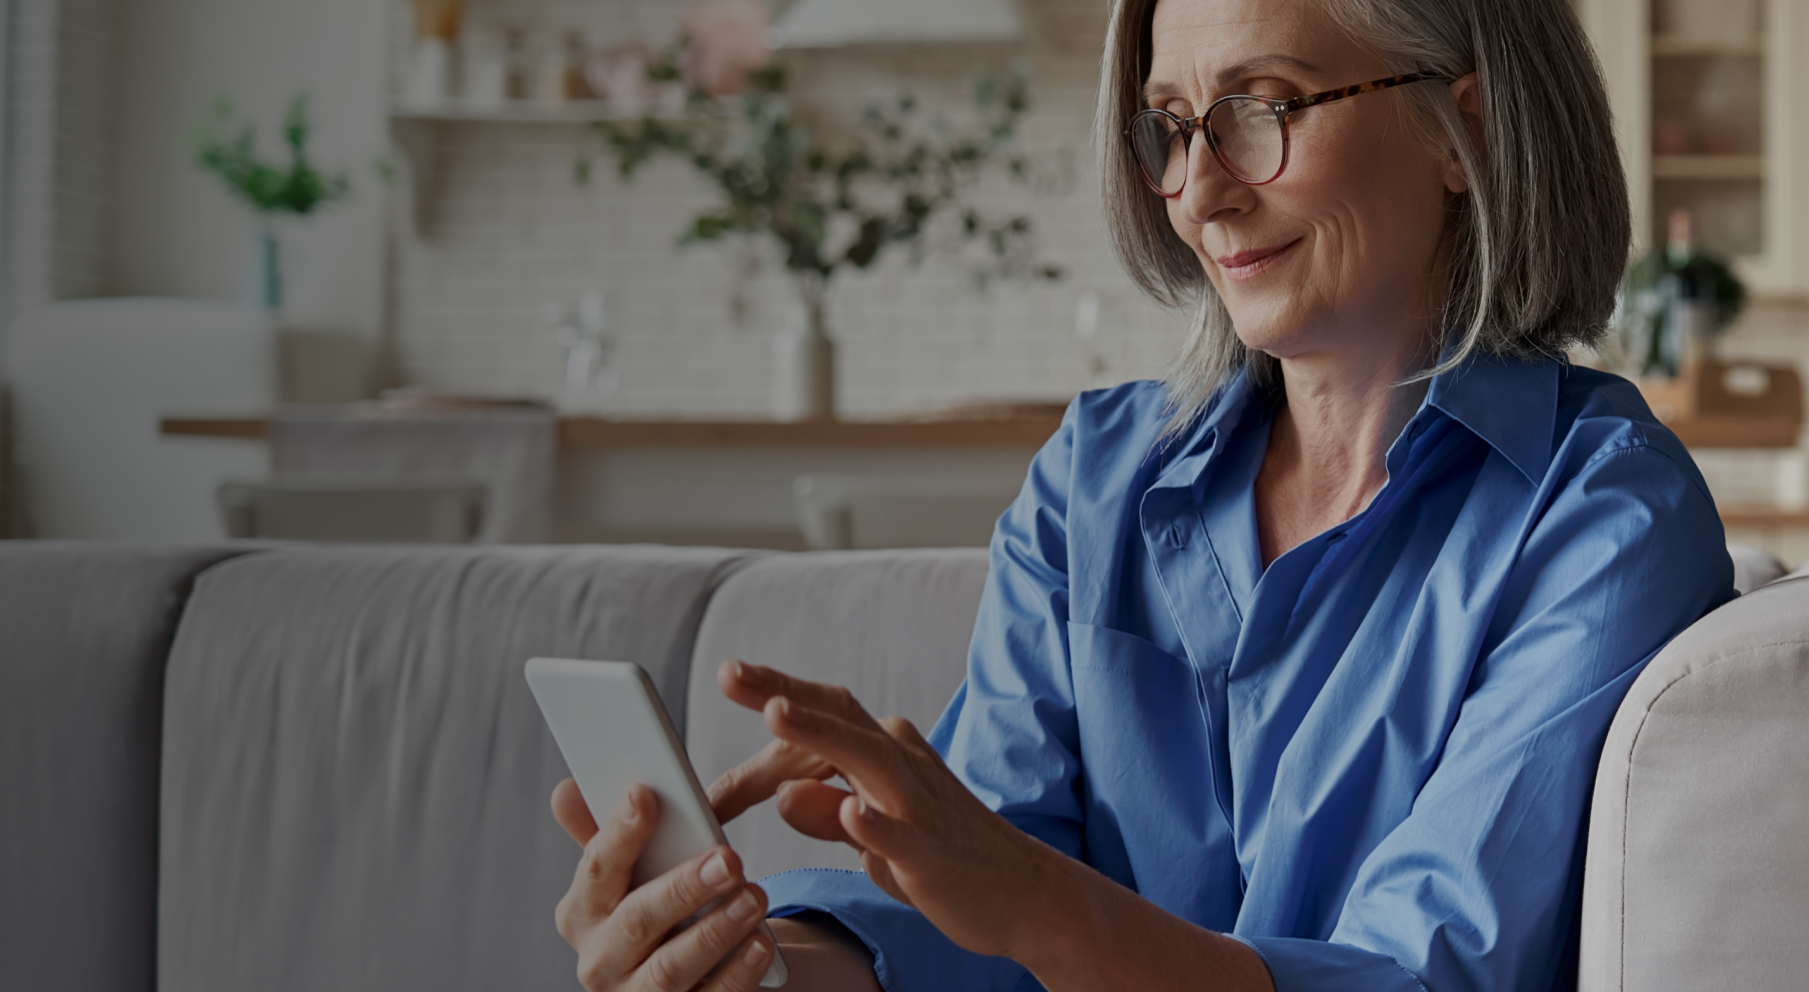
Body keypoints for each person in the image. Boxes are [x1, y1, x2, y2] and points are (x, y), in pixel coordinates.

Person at [548, 0, 1735, 988]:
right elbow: (975, 920)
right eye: (1170, 128)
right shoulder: (1094, 477)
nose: (1198, 191)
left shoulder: (1601, 519)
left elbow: (1418, 974)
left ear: (1457, 128)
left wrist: (1034, 905)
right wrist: (754, 960)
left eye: (1261, 109)